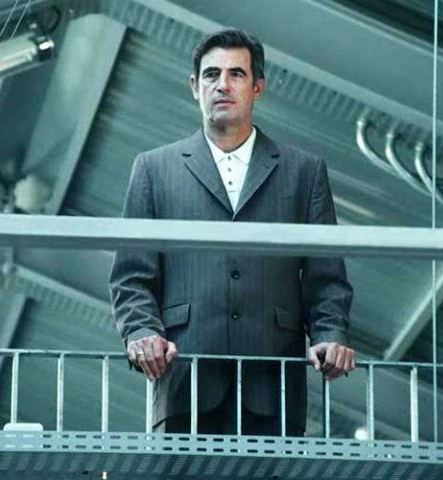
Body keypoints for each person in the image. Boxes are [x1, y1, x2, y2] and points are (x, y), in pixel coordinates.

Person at [109, 28, 354, 436]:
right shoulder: (153, 169)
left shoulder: (304, 171)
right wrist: (142, 331)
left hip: (273, 386)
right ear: (194, 86)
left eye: (236, 74)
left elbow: (326, 275)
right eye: (211, 74)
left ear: (257, 87)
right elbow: (132, 274)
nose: (222, 84)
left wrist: (329, 333)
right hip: (182, 381)